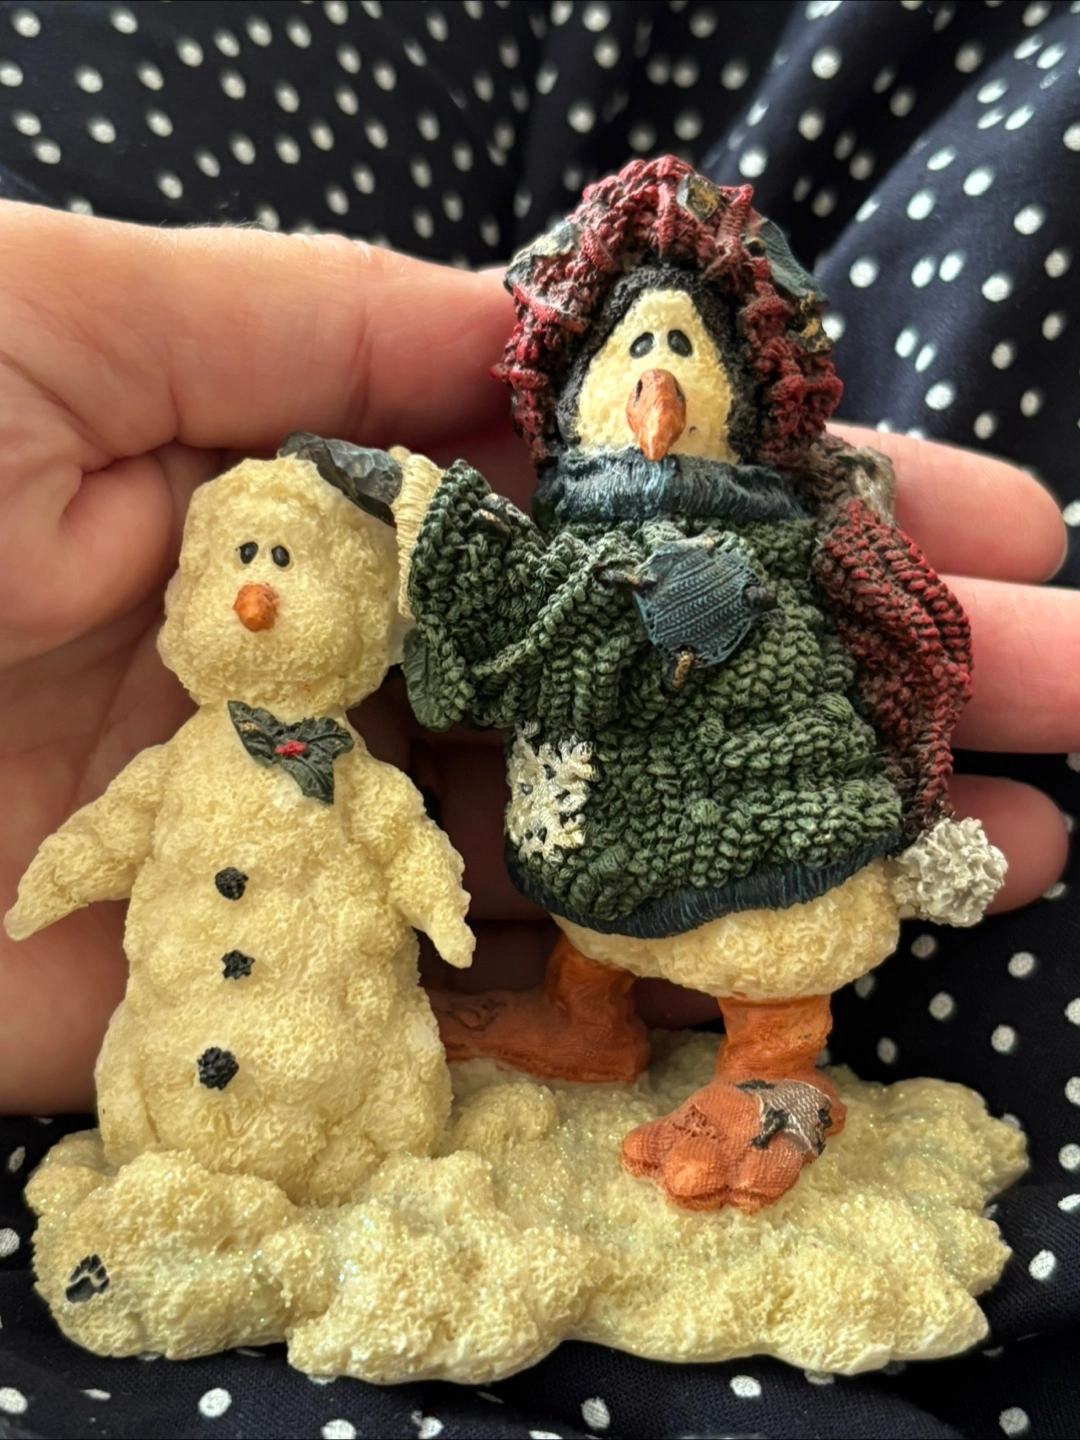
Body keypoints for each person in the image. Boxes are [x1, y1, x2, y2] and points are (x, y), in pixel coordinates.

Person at [0, 3, 1076, 1438]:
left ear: (743, 383)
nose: (654, 385)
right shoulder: (576, 527)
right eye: (631, 350)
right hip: (605, 837)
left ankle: (776, 1080)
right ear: (571, 388)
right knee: (595, 922)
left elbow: (585, 624)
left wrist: (427, 500)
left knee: (759, 953)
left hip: (762, 830)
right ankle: (590, 1022)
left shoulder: (737, 551)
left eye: (683, 348)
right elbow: (534, 621)